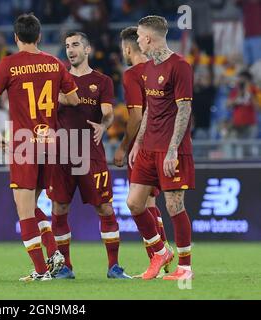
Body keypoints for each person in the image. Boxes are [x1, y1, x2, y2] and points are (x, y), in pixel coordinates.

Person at [0, 13, 80, 281]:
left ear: (16, 38)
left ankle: (41, 271)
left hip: (24, 144)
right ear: (39, 36)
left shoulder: (9, 65)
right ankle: (54, 253)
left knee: (24, 210)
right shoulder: (54, 63)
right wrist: (49, 96)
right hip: (49, 142)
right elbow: (73, 99)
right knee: (35, 205)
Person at [46, 31, 131, 280]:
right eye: (67, 46)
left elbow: (108, 112)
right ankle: (65, 267)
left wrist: (104, 124)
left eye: (75, 45)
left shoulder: (102, 81)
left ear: (87, 50)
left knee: (104, 207)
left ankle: (114, 266)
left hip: (91, 152)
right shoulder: (55, 81)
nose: (70, 50)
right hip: (61, 153)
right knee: (59, 207)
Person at [127, 15, 195, 280]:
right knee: (134, 203)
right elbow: (149, 110)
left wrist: (173, 149)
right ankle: (160, 250)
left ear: (148, 38)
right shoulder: (148, 69)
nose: (137, 42)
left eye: (139, 37)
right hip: (148, 149)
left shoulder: (180, 66)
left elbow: (184, 108)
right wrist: (139, 142)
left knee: (174, 206)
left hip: (170, 149)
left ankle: (186, 268)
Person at [115, 26, 173, 278]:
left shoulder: (131, 75)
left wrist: (124, 145)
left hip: (144, 146)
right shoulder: (158, 69)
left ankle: (158, 255)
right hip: (165, 142)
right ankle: (162, 262)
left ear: (128, 48)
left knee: (137, 203)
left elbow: (136, 116)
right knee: (151, 202)